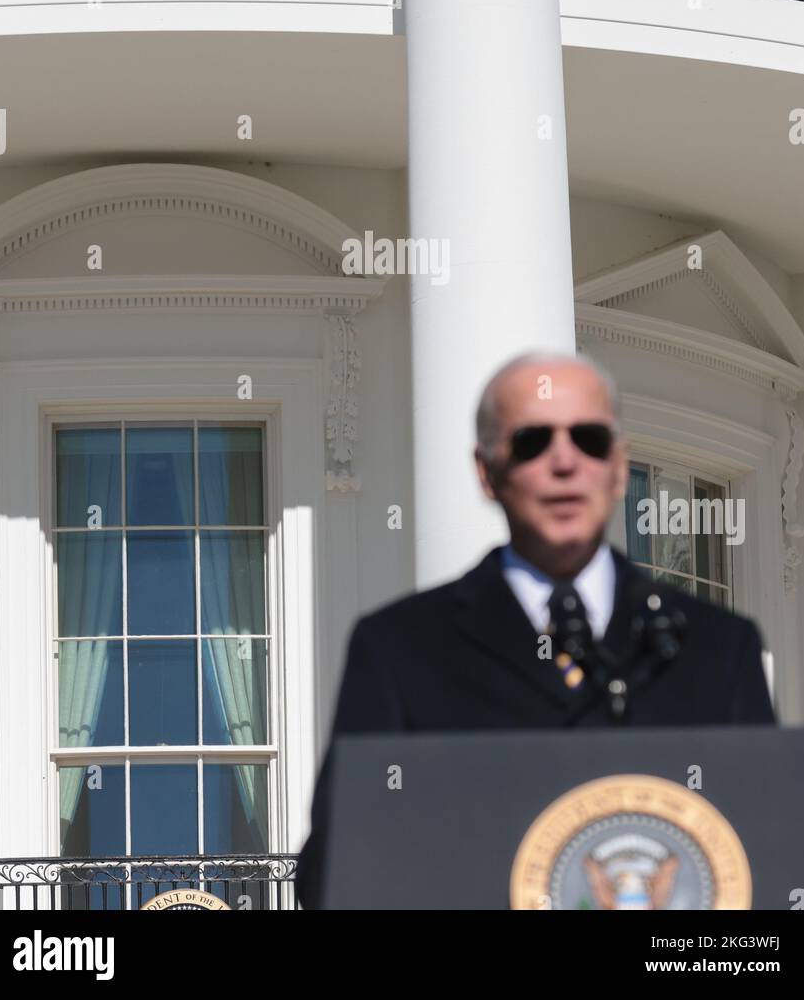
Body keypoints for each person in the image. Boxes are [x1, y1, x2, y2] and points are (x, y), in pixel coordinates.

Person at [296, 351, 774, 908]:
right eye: (532, 442)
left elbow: (768, 854)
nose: (564, 462)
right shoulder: (399, 648)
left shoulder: (716, 646)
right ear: (486, 472)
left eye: (589, 439)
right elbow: (333, 874)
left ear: (619, 467)